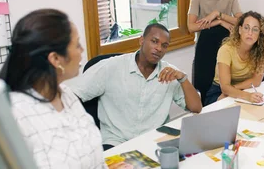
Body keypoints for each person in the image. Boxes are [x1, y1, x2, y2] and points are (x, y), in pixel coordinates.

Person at [0, 9, 153, 169]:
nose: (82, 51)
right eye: (76, 45)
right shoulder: (16, 114)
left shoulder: (67, 96)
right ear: (55, 59)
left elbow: (91, 157)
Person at [66, 23, 202, 150]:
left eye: (164, 45)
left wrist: (183, 78)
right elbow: (72, 95)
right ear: (141, 40)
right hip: (116, 143)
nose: (159, 48)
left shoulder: (169, 73)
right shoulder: (111, 67)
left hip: (153, 142)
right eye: (154, 41)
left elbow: (196, 107)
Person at [188, 0, 243, 103]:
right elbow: (191, 26)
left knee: (223, 88)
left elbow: (241, 21)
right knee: (203, 89)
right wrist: (219, 22)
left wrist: (218, 14)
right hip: (204, 48)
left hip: (226, 48)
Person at [204, 10, 264, 105]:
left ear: (260, 34)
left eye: (255, 29)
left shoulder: (262, 51)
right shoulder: (226, 50)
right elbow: (224, 87)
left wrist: (234, 90)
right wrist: (246, 96)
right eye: (246, 28)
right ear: (240, 30)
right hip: (218, 92)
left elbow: (256, 81)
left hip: (244, 89)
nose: (250, 33)